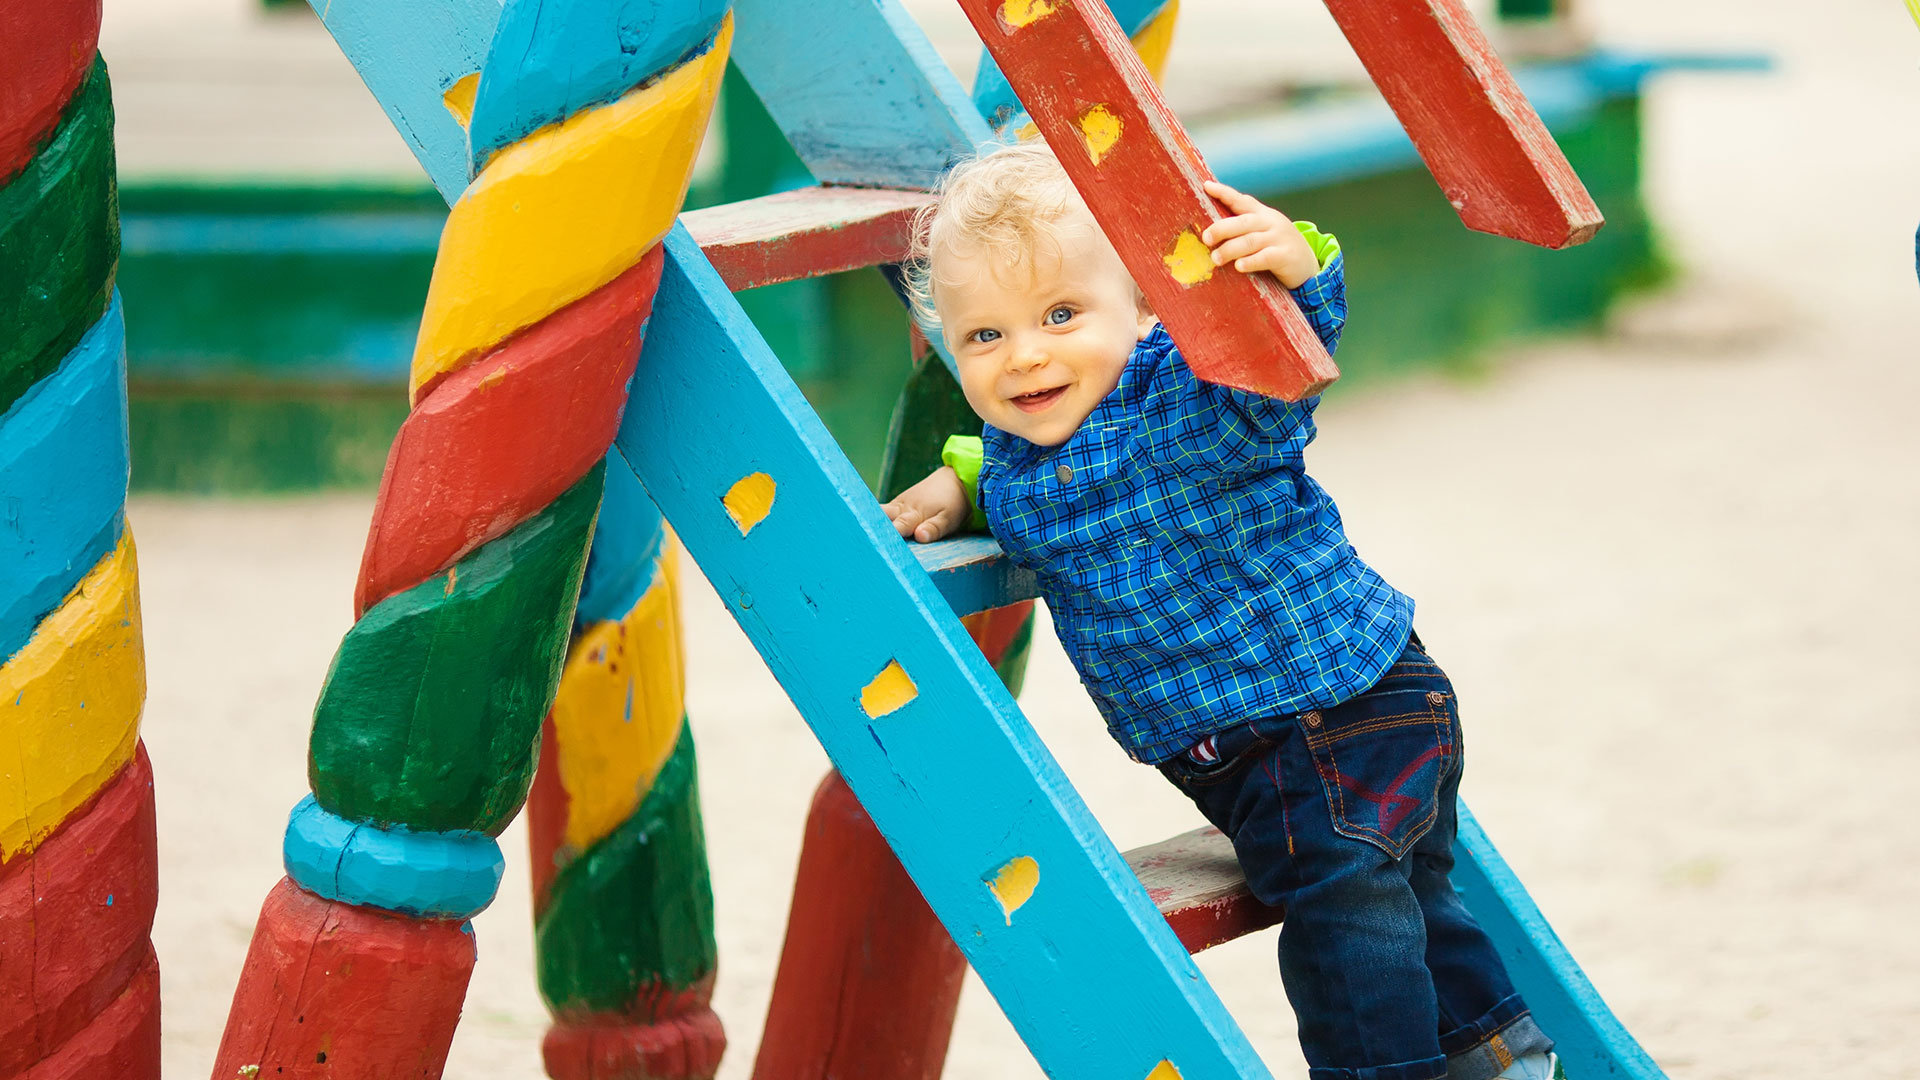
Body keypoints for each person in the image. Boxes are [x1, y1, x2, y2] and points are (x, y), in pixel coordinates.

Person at [882, 140, 1559, 1080]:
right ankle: (1497, 1051)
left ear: (1148, 306)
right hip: (1266, 745)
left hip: (1332, 711)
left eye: (1062, 313)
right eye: (984, 337)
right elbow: (1022, 474)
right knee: (1407, 902)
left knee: (1345, 926)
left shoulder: (1187, 393)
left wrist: (1298, 266)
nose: (1026, 355)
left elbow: (1275, 365)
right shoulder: (1015, 457)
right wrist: (961, 479)